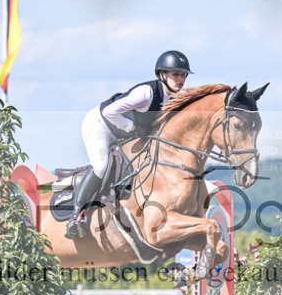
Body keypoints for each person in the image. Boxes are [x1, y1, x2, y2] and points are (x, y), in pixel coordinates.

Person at [65, 50, 192, 239]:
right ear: (162, 75)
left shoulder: (175, 100)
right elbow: (109, 112)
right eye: (176, 74)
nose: (180, 79)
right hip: (100, 125)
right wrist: (132, 127)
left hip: (124, 134)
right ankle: (75, 217)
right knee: (101, 166)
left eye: (183, 75)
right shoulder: (146, 93)